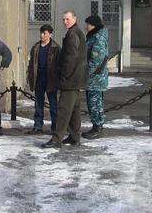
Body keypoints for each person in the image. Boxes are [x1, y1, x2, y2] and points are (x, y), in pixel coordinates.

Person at [42, 10, 87, 148]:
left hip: (70, 80)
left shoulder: (72, 34)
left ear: (75, 18)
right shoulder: (77, 32)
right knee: (74, 111)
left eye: (67, 19)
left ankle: (57, 139)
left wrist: (64, 75)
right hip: (78, 79)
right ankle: (74, 137)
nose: (65, 22)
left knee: (64, 110)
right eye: (63, 20)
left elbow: (70, 58)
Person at [27, 24, 60, 134]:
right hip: (39, 78)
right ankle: (38, 126)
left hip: (51, 79)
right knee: (38, 104)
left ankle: (55, 127)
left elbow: (59, 65)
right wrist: (30, 76)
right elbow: (32, 64)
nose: (42, 35)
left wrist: (57, 79)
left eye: (45, 33)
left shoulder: (56, 48)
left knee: (53, 105)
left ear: (50, 34)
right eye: (41, 33)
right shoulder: (36, 47)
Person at [82, 15, 109, 139]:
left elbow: (96, 60)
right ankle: (97, 125)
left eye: (87, 24)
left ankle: (97, 127)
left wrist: (86, 74)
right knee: (95, 102)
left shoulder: (98, 38)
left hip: (95, 78)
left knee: (94, 103)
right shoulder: (95, 36)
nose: (85, 26)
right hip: (95, 77)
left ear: (93, 25)